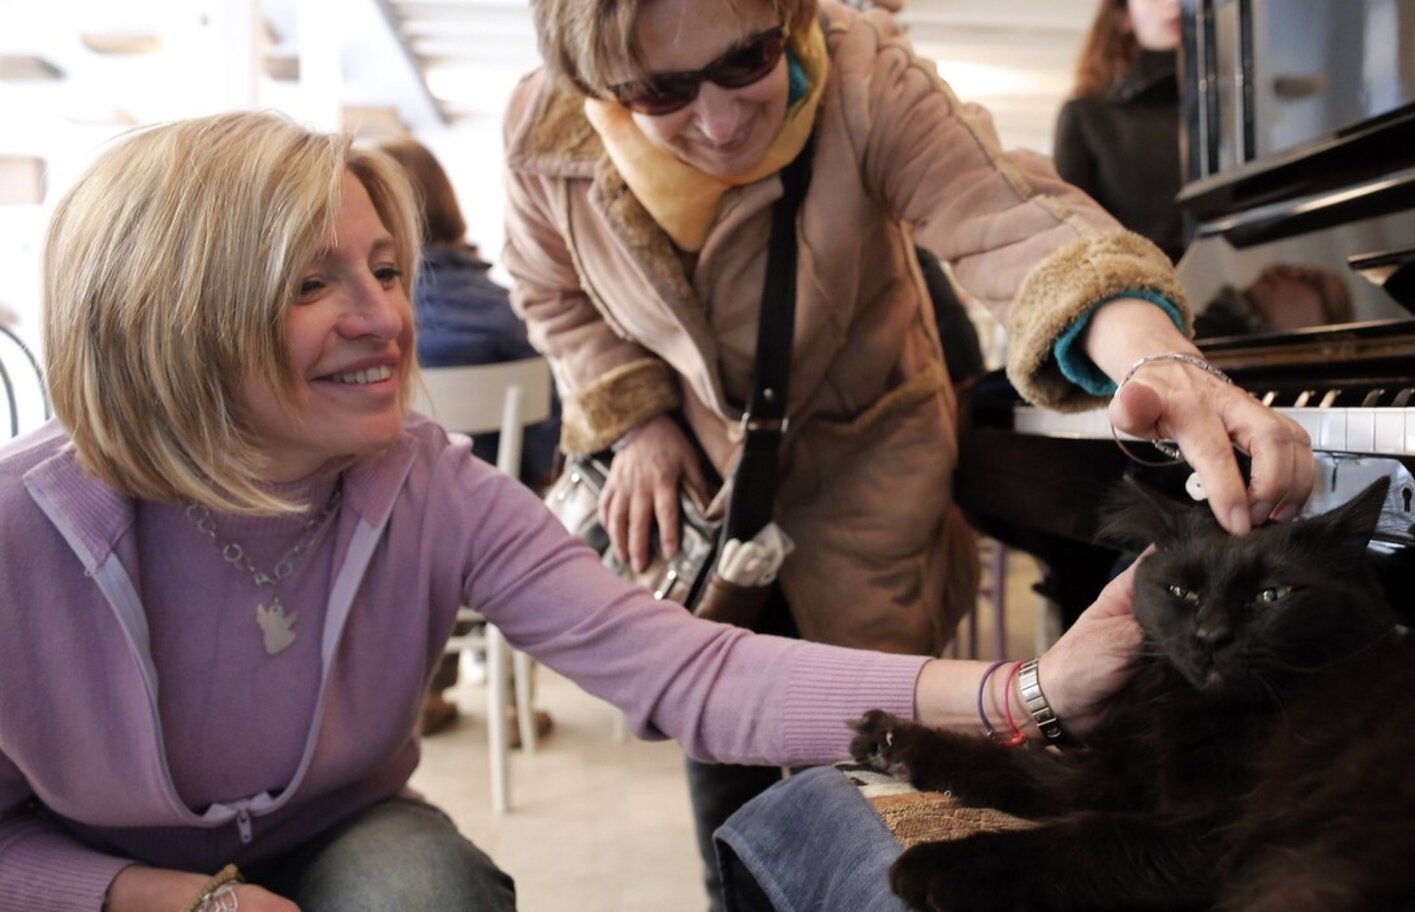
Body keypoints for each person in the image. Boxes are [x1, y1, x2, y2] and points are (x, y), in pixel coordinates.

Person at [0, 110, 1145, 912]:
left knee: (425, 891)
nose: (379, 319)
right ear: (169, 317)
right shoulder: (22, 528)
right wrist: (147, 898)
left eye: (385, 269)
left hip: (335, 833)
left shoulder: (433, 485)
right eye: (311, 283)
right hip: (68, 867)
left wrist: (1027, 694)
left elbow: (690, 671)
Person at [509, 0, 1313, 904]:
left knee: (881, 776)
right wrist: (637, 417)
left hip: (867, 474)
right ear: (597, 88)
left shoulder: (866, 76)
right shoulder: (542, 138)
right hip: (702, 493)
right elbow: (551, 294)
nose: (723, 118)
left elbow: (1018, 224)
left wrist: (1161, 360)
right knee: (723, 768)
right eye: (662, 90)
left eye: (748, 58)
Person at [374, 136, 558, 741]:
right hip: (498, 532)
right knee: (504, 504)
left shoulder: (365, 325)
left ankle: (421, 696)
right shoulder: (509, 310)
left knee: (412, 515)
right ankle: (511, 706)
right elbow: (548, 437)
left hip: (385, 533)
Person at [1054, 0, 1187, 261]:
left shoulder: (1237, 111)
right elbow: (1072, 238)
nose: (1176, 2)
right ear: (1123, 16)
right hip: (1137, 290)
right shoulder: (1088, 115)